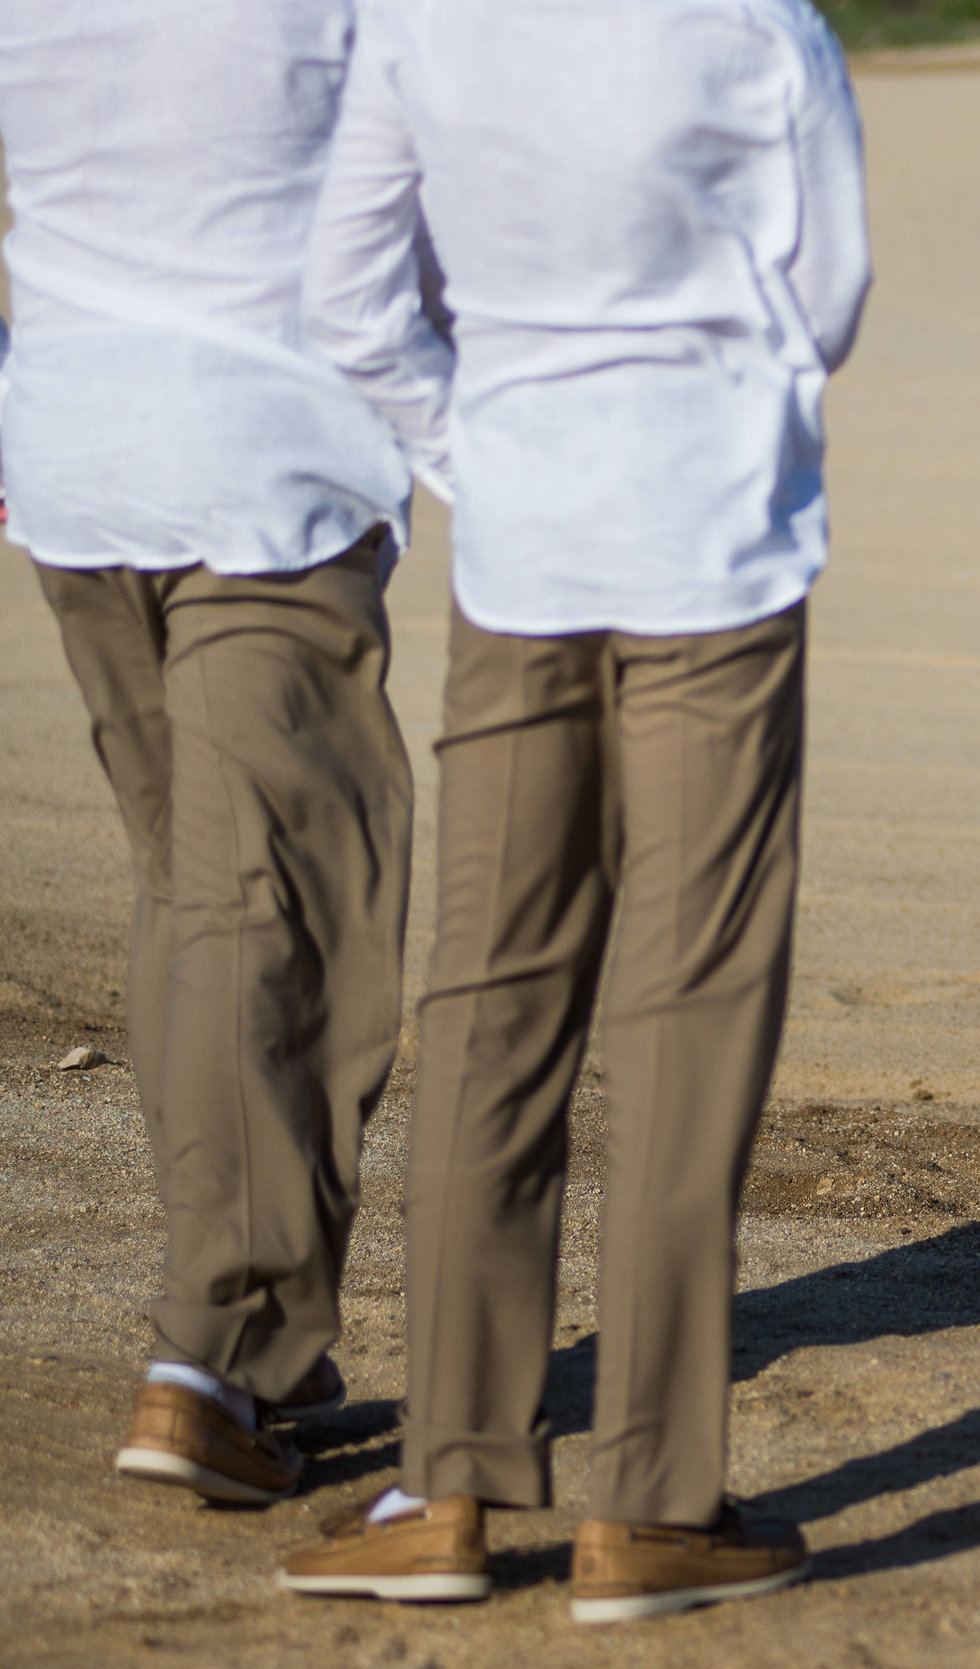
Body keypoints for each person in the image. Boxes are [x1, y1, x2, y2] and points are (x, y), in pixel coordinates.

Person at [274, 0, 871, 1624]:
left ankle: (448, 1481)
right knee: (690, 1005)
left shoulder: (423, 25)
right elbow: (829, 299)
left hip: (528, 551)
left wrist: (480, 441)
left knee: (490, 1001)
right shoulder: (764, 26)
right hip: (715, 550)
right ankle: (654, 1505)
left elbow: (350, 293)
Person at [0, 0, 418, 1504]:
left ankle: (243, 1344)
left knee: (195, 892)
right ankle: (214, 1359)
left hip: (77, 454)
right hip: (269, 454)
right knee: (278, 912)